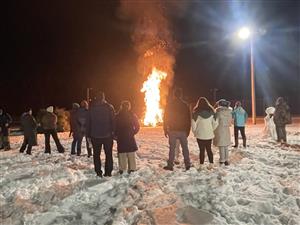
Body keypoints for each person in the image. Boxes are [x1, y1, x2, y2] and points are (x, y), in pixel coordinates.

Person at [87, 91, 115, 177]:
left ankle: (98, 172)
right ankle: (108, 172)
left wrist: (88, 135)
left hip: (95, 135)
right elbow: (113, 121)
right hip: (107, 135)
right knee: (109, 154)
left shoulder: (91, 108)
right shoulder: (109, 107)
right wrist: (113, 132)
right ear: (103, 97)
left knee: (96, 155)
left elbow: (88, 122)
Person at [163, 88, 191, 171]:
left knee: (172, 148)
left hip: (173, 130)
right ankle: (187, 164)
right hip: (182, 130)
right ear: (181, 95)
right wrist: (188, 130)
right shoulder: (185, 105)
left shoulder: (169, 104)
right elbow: (188, 119)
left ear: (174, 95)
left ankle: (170, 165)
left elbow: (166, 118)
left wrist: (165, 129)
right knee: (185, 148)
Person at [192, 97, 218, 170]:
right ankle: (211, 164)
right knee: (209, 149)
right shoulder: (212, 112)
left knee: (201, 150)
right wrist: (211, 129)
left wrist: (195, 132)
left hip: (200, 135)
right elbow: (216, 123)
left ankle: (201, 165)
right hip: (209, 134)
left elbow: (193, 125)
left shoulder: (196, 112)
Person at [115, 101, 140, 174]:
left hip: (121, 136)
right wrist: (133, 132)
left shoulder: (117, 115)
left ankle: (122, 169)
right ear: (128, 106)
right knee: (131, 152)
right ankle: (132, 168)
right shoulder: (132, 115)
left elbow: (114, 126)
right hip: (129, 136)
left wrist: (115, 135)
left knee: (122, 152)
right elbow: (137, 126)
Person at [214, 99, 232, 166]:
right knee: (225, 146)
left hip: (220, 130)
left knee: (221, 145)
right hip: (226, 129)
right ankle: (226, 159)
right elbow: (230, 123)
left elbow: (215, 122)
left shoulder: (218, 112)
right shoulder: (229, 112)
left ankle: (222, 160)